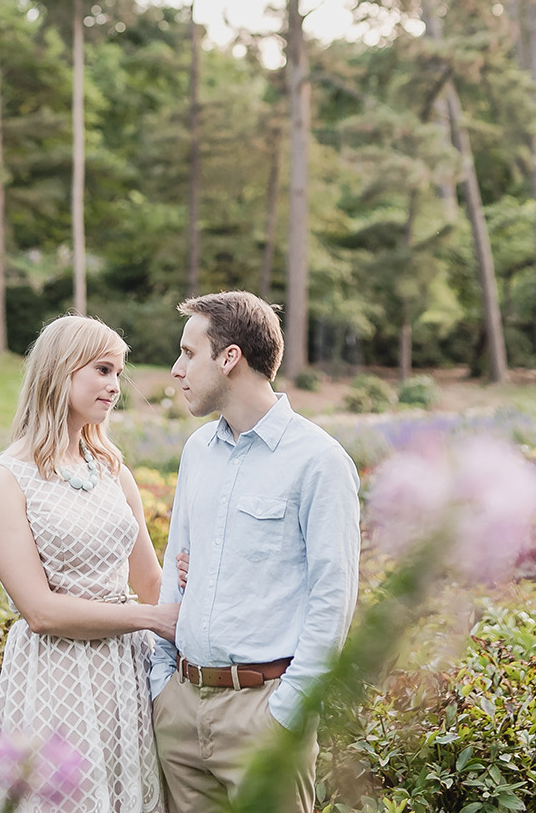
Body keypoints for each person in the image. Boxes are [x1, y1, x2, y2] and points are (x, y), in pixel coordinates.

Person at [151, 291, 361, 813]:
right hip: (179, 708)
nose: (176, 371)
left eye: (188, 353)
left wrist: (286, 714)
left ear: (229, 358)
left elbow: (332, 601)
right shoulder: (197, 451)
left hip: (264, 716)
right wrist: (161, 688)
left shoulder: (319, 461)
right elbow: (174, 573)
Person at [0, 314, 179, 813]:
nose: (115, 386)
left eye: (118, 373)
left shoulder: (113, 470)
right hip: (54, 673)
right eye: (103, 370)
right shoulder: (3, 479)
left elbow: (150, 579)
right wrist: (151, 619)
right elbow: (40, 610)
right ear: (61, 371)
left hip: (126, 675)